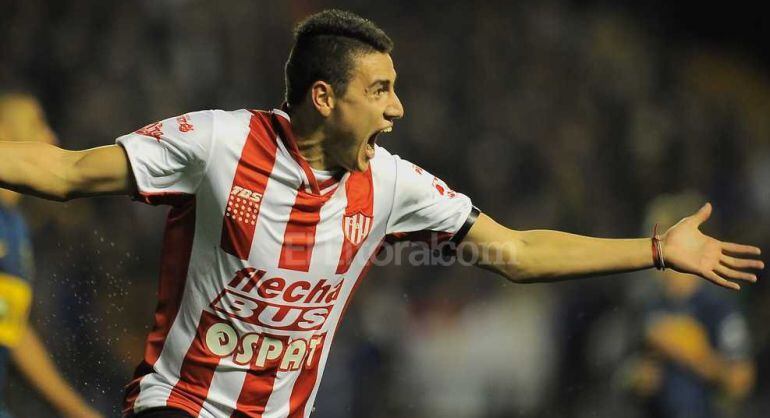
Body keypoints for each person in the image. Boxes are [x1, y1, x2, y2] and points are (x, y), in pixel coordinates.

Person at [0, 9, 763, 418]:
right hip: (182, 406)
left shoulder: (392, 184)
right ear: (325, 98)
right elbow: (65, 171)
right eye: (382, 90)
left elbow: (521, 253)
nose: (399, 109)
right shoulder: (218, 142)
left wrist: (657, 249)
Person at [0, 93, 102, 418]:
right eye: (37, 124)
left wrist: (77, 411)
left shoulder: (14, 226)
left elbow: (11, 328)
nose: (51, 138)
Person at [625, 193, 755, 418]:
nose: (650, 250)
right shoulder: (646, 305)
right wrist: (639, 379)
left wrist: (694, 355)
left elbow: (740, 381)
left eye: (655, 239)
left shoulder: (718, 305)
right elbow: (624, 373)